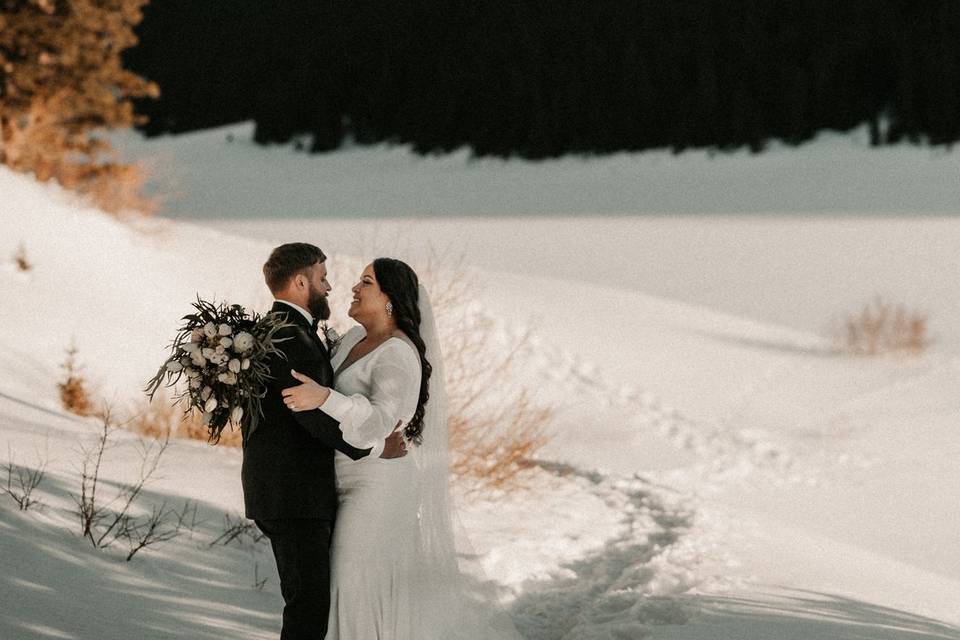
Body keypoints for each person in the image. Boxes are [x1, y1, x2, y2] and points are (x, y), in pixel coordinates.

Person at [282, 257, 523, 639]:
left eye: (366, 282)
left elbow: (379, 425)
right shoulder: (350, 340)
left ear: (390, 299)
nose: (354, 288)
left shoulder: (397, 353)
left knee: (351, 586)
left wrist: (325, 398)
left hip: (378, 487)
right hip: (337, 481)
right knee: (339, 588)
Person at [241, 243, 406, 640]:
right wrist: (374, 447)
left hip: (281, 491)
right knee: (308, 609)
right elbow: (309, 415)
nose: (330, 286)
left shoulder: (271, 331)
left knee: (306, 603)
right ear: (301, 281)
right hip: (295, 494)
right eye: (322, 277)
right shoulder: (292, 337)